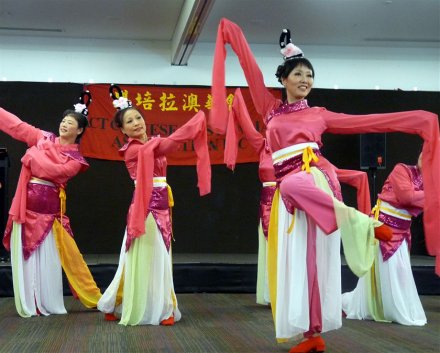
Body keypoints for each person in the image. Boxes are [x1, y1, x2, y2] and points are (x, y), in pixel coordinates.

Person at [209, 18, 439, 353]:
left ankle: (360, 222)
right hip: (292, 197)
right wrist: (233, 35)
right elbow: (250, 70)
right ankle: (312, 335)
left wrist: (419, 120)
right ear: (283, 78)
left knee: (290, 188)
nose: (305, 79)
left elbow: (369, 122)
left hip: (313, 181)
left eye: (309, 74)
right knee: (305, 264)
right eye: (298, 74)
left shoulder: (320, 113)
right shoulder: (270, 110)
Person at [97, 85, 211, 326]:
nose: (136, 123)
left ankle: (119, 303)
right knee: (147, 256)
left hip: (162, 206)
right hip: (144, 207)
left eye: (138, 117)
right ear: (123, 129)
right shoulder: (133, 150)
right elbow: (169, 145)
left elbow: (168, 146)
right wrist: (194, 124)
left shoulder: (152, 143)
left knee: (157, 257)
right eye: (129, 121)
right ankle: (157, 308)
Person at [1, 91, 102, 317]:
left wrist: (32, 155)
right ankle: (30, 302)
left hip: (50, 214)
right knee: (26, 257)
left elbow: (53, 171)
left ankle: (51, 300)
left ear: (80, 130)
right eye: (63, 121)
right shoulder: (42, 138)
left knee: (52, 259)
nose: (64, 125)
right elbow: (16, 126)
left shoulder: (76, 160)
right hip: (25, 207)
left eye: (71, 123)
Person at [342, 152, 427, 326]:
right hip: (384, 228)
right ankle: (381, 307)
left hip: (401, 231)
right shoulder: (402, 170)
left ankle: (389, 307)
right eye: (424, 151)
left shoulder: (432, 182)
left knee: (399, 272)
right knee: (386, 271)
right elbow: (407, 197)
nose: (424, 155)